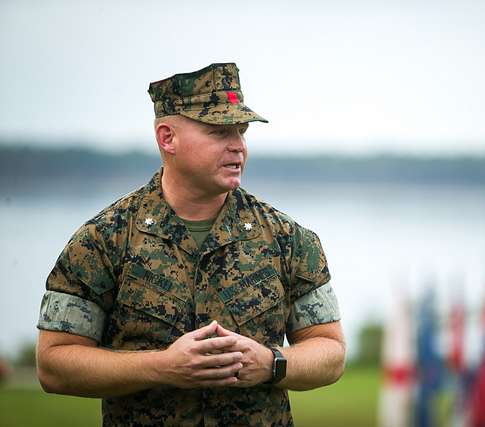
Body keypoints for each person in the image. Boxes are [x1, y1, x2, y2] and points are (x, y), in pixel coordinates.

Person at [36, 63, 345, 426]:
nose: (238, 146)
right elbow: (54, 365)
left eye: (241, 131)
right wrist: (163, 367)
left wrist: (270, 363)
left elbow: (331, 352)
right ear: (167, 138)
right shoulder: (104, 240)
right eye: (219, 131)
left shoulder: (288, 239)